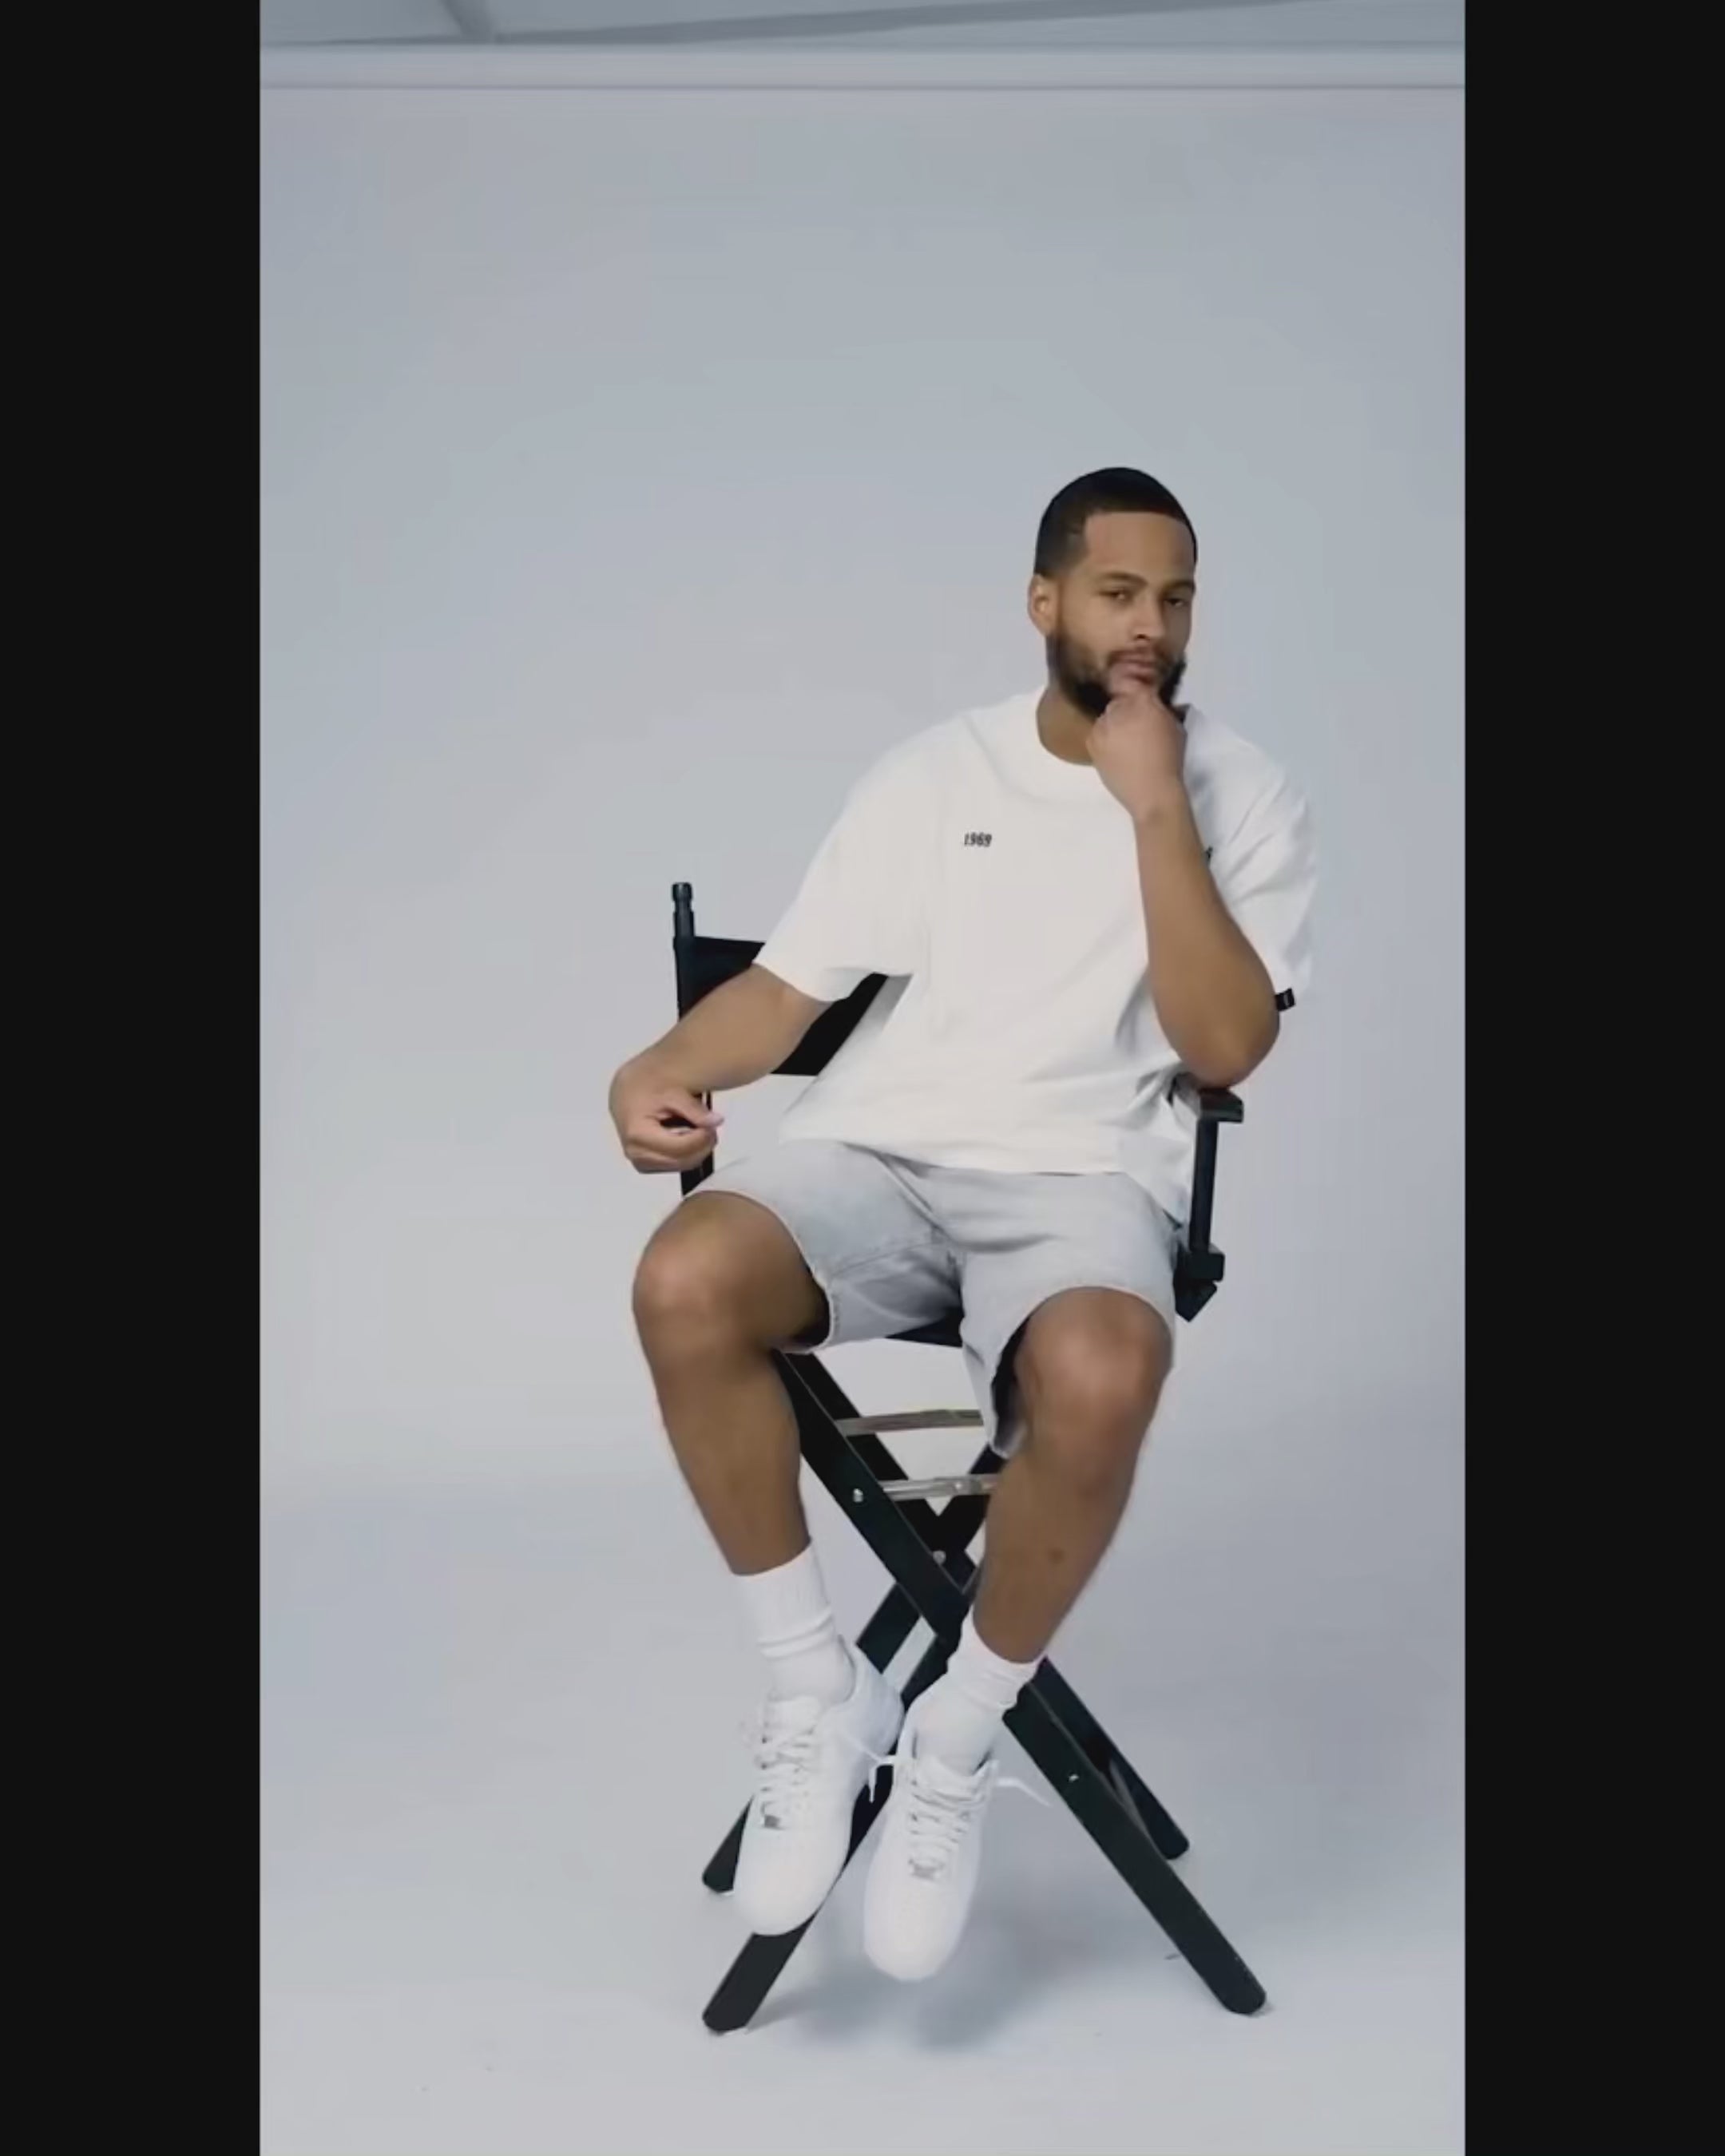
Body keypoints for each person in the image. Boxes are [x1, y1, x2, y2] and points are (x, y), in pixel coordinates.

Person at [609, 467, 1316, 1984]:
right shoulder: (936, 775)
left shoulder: (1243, 794)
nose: (1150, 624)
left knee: (1108, 1376)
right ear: (1045, 600)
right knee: (685, 1277)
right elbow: (787, 992)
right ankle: (817, 1698)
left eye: (1176, 597)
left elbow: (1225, 1046)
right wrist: (654, 1063)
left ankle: (955, 1735)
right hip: (884, 1157)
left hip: (1083, 1188)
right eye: (1118, 592)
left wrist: (1154, 808)